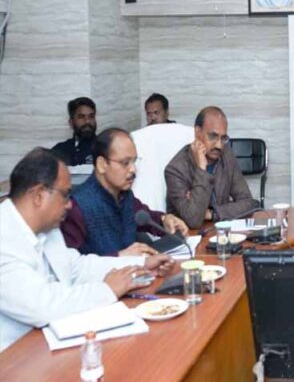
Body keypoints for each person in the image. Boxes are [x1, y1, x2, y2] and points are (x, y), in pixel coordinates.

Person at [0, 148, 175, 352]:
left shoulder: (48, 228)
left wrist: (141, 264)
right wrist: (107, 290)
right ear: (39, 195)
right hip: (15, 357)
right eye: (65, 195)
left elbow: (77, 267)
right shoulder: (4, 236)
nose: (69, 205)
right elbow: (42, 306)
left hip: (51, 342)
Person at [61, 128, 189, 256]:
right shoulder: (76, 208)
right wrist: (120, 257)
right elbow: (72, 264)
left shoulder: (124, 194)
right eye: (125, 163)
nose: (133, 169)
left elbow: (144, 217)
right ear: (102, 165)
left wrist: (164, 219)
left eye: (134, 161)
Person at [165, 106, 259, 228]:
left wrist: (213, 213)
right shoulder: (176, 169)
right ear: (197, 132)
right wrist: (201, 168)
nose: (219, 145)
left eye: (223, 138)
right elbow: (193, 220)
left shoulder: (226, 154)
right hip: (189, 236)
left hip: (221, 231)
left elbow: (249, 203)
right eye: (213, 136)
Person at [51, 97, 97, 166]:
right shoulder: (60, 150)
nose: (87, 121)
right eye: (81, 117)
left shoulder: (105, 147)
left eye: (91, 116)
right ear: (71, 122)